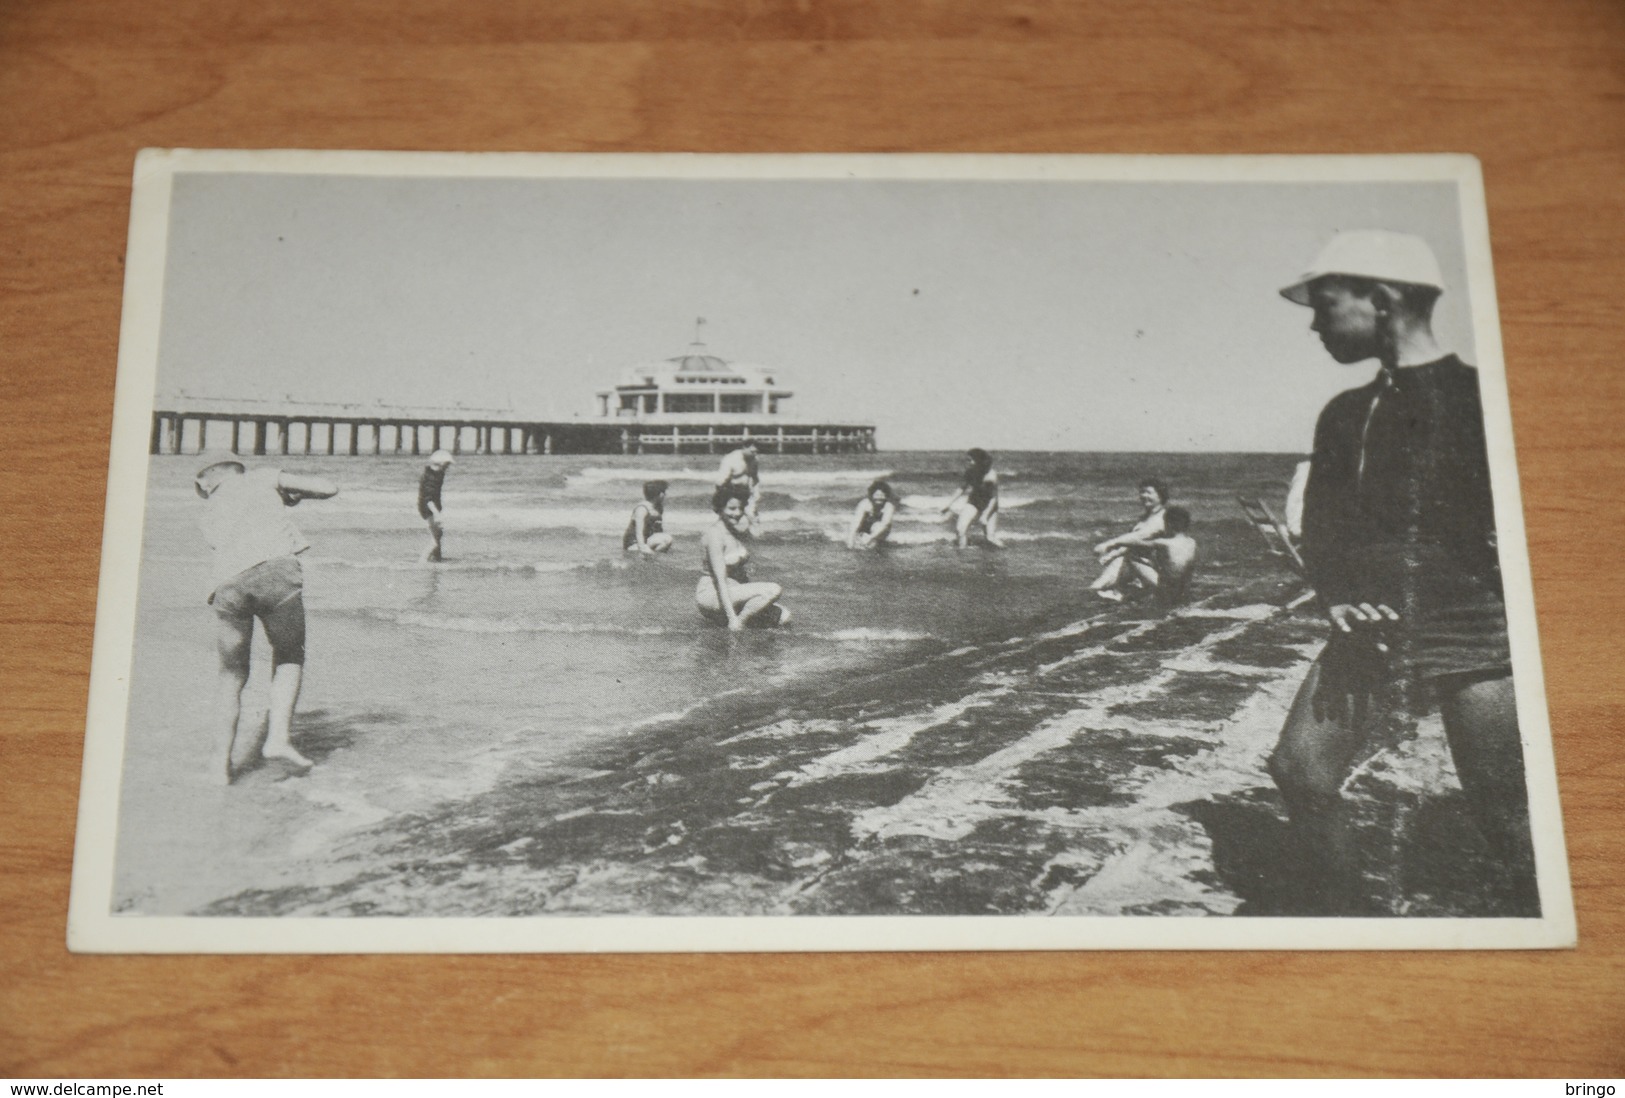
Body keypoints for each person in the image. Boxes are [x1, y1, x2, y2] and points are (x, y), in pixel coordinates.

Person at [1265, 229, 1535, 912]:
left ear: (1380, 299)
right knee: (1300, 772)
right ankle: (1350, 928)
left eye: (1325, 305)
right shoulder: (1344, 413)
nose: (1315, 325)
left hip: (1473, 627)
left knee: (1507, 812)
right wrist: (1337, 598)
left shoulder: (1486, 399)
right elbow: (1324, 529)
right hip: (1370, 626)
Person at [195, 460, 338, 784]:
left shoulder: (209, 512)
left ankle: (219, 767)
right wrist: (291, 490)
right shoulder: (261, 477)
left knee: (231, 675)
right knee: (289, 654)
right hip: (274, 572)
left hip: (226, 585)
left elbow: (235, 539)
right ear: (238, 470)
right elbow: (329, 488)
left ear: (206, 486)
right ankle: (277, 739)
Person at [696, 485, 789, 630]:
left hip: (735, 593)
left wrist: (752, 513)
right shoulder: (715, 535)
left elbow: (756, 534)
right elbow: (720, 581)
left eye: (740, 508)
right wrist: (732, 617)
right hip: (713, 595)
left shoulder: (735, 531)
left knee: (784, 616)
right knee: (773, 589)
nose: (737, 513)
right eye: (732, 509)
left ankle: (733, 625)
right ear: (719, 508)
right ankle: (738, 624)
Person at [1090, 478, 1170, 600]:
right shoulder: (1145, 518)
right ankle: (1100, 589)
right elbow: (1132, 544)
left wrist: (1109, 544)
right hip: (1140, 568)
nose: (1144, 496)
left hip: (1159, 574)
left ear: (1160, 495)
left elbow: (1138, 537)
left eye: (1149, 492)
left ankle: (1107, 591)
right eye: (1142, 492)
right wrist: (1112, 554)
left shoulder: (1162, 518)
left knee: (1130, 557)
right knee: (1121, 560)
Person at [1113, 505, 1198, 608]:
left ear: (1169, 524)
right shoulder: (1192, 543)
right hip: (1184, 591)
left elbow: (1136, 542)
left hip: (1166, 592)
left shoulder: (1164, 543)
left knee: (1131, 557)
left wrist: (1115, 542)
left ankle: (1124, 590)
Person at [940, 448, 1004, 548]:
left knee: (990, 538)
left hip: (990, 506)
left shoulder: (990, 476)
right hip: (974, 502)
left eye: (970, 460)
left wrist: (985, 515)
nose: (968, 462)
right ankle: (962, 555)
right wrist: (948, 504)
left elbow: (993, 498)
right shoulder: (970, 472)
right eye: (967, 460)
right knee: (960, 529)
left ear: (979, 461)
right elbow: (961, 489)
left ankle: (1004, 552)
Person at [715, 443, 761, 532]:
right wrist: (721, 498)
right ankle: (724, 535)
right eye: (752, 451)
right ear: (744, 448)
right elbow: (720, 481)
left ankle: (754, 539)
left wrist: (756, 492)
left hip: (746, 492)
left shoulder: (754, 460)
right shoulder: (731, 459)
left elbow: (755, 478)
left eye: (756, 452)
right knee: (729, 517)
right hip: (731, 492)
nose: (755, 454)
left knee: (752, 515)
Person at [417, 449, 453, 562]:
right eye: (447, 464)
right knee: (434, 541)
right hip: (428, 507)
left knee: (439, 533)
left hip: (433, 506)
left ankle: (437, 559)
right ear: (440, 463)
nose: (448, 467)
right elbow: (428, 499)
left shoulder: (438, 473)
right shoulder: (431, 477)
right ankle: (421, 564)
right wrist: (437, 514)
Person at [623, 479, 674, 555]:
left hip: (647, 540)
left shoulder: (658, 508)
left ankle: (652, 558)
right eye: (664, 492)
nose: (665, 495)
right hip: (634, 543)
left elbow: (658, 529)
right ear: (660, 494)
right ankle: (648, 558)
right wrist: (642, 547)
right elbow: (639, 531)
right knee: (667, 539)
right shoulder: (642, 508)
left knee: (666, 540)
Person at [847, 479, 899, 549]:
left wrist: (870, 538)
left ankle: (875, 542)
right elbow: (856, 522)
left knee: (877, 527)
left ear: (886, 496)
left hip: (880, 531)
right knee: (856, 543)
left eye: (882, 495)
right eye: (877, 495)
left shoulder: (888, 506)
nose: (879, 497)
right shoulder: (865, 504)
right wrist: (850, 540)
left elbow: (885, 523)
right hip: (865, 528)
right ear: (872, 495)